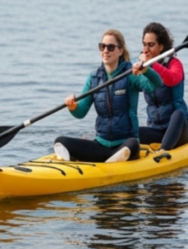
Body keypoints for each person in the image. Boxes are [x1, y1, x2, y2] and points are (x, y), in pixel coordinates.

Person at [54, 29, 161, 163]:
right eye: (102, 46)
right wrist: (73, 106)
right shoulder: (93, 78)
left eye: (110, 47)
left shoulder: (131, 74)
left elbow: (156, 84)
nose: (105, 50)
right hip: (101, 145)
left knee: (133, 144)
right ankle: (76, 164)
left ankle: (113, 161)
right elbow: (81, 113)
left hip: (125, 143)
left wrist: (146, 71)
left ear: (120, 51)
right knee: (60, 141)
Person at [135, 23, 188, 150]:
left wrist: (151, 64)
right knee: (130, 130)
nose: (146, 49)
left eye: (151, 45)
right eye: (144, 44)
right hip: (155, 130)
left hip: (179, 130)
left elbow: (171, 79)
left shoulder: (175, 64)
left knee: (178, 114)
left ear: (161, 46)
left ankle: (162, 152)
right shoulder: (142, 68)